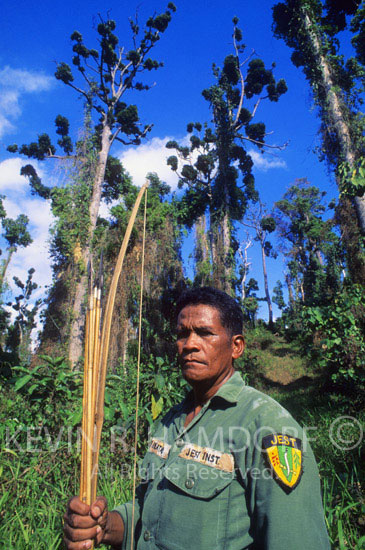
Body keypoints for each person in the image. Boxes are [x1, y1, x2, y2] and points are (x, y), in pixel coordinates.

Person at [64, 286, 330, 549]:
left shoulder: (267, 424)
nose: (190, 344)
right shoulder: (170, 420)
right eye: (182, 334)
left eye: (205, 333)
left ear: (236, 347)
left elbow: (295, 538)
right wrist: (104, 526)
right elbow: (149, 512)